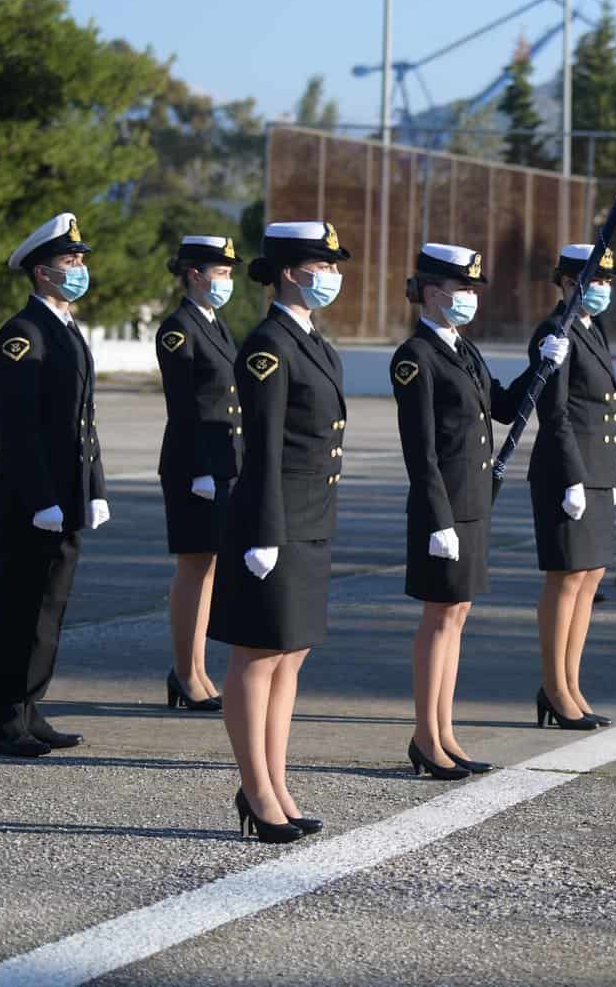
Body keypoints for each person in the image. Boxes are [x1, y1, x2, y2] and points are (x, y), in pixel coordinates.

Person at [392, 243, 564, 779]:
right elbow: (419, 451)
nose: (470, 297)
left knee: (456, 617)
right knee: (439, 620)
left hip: (472, 502)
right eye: (462, 288)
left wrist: (542, 365)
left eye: (473, 289)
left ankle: (444, 734)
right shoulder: (414, 357)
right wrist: (438, 519)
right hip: (443, 507)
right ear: (432, 291)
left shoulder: (464, 349)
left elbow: (505, 407)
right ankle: (426, 736)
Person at [208, 220, 351, 843]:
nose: (332, 276)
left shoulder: (313, 340)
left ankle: (276, 782)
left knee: (291, 654)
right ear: (291, 271)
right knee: (258, 654)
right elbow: (261, 447)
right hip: (275, 519)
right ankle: (256, 791)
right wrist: (263, 532)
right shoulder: (268, 344)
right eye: (322, 265)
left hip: (311, 516)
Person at [0, 212, 108, 757]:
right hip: (30, 502)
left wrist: (95, 487)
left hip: (66, 497)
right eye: (68, 262)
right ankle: (3, 716)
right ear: (40, 272)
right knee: (18, 609)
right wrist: (41, 500)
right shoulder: (22, 335)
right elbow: (19, 427)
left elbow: (84, 418)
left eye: (79, 260)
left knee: (49, 610)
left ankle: (30, 707)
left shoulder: (66, 327)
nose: (78, 269)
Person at [529, 245, 616, 731]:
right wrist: (573, 476)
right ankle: (554, 687)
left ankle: (571, 683)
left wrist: (604, 475)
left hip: (599, 471)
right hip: (568, 473)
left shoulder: (590, 327)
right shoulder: (555, 330)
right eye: (595, 279)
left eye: (608, 280)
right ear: (567, 282)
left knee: (589, 580)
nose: (603, 288)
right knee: (565, 580)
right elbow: (556, 411)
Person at [155, 234, 244, 713]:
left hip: (220, 464)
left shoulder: (214, 323)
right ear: (194, 274)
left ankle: (195, 668)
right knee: (194, 568)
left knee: (209, 569)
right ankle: (187, 673)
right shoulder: (178, 329)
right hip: (194, 467)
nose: (226, 281)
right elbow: (185, 406)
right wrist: (202, 470)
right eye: (221, 273)